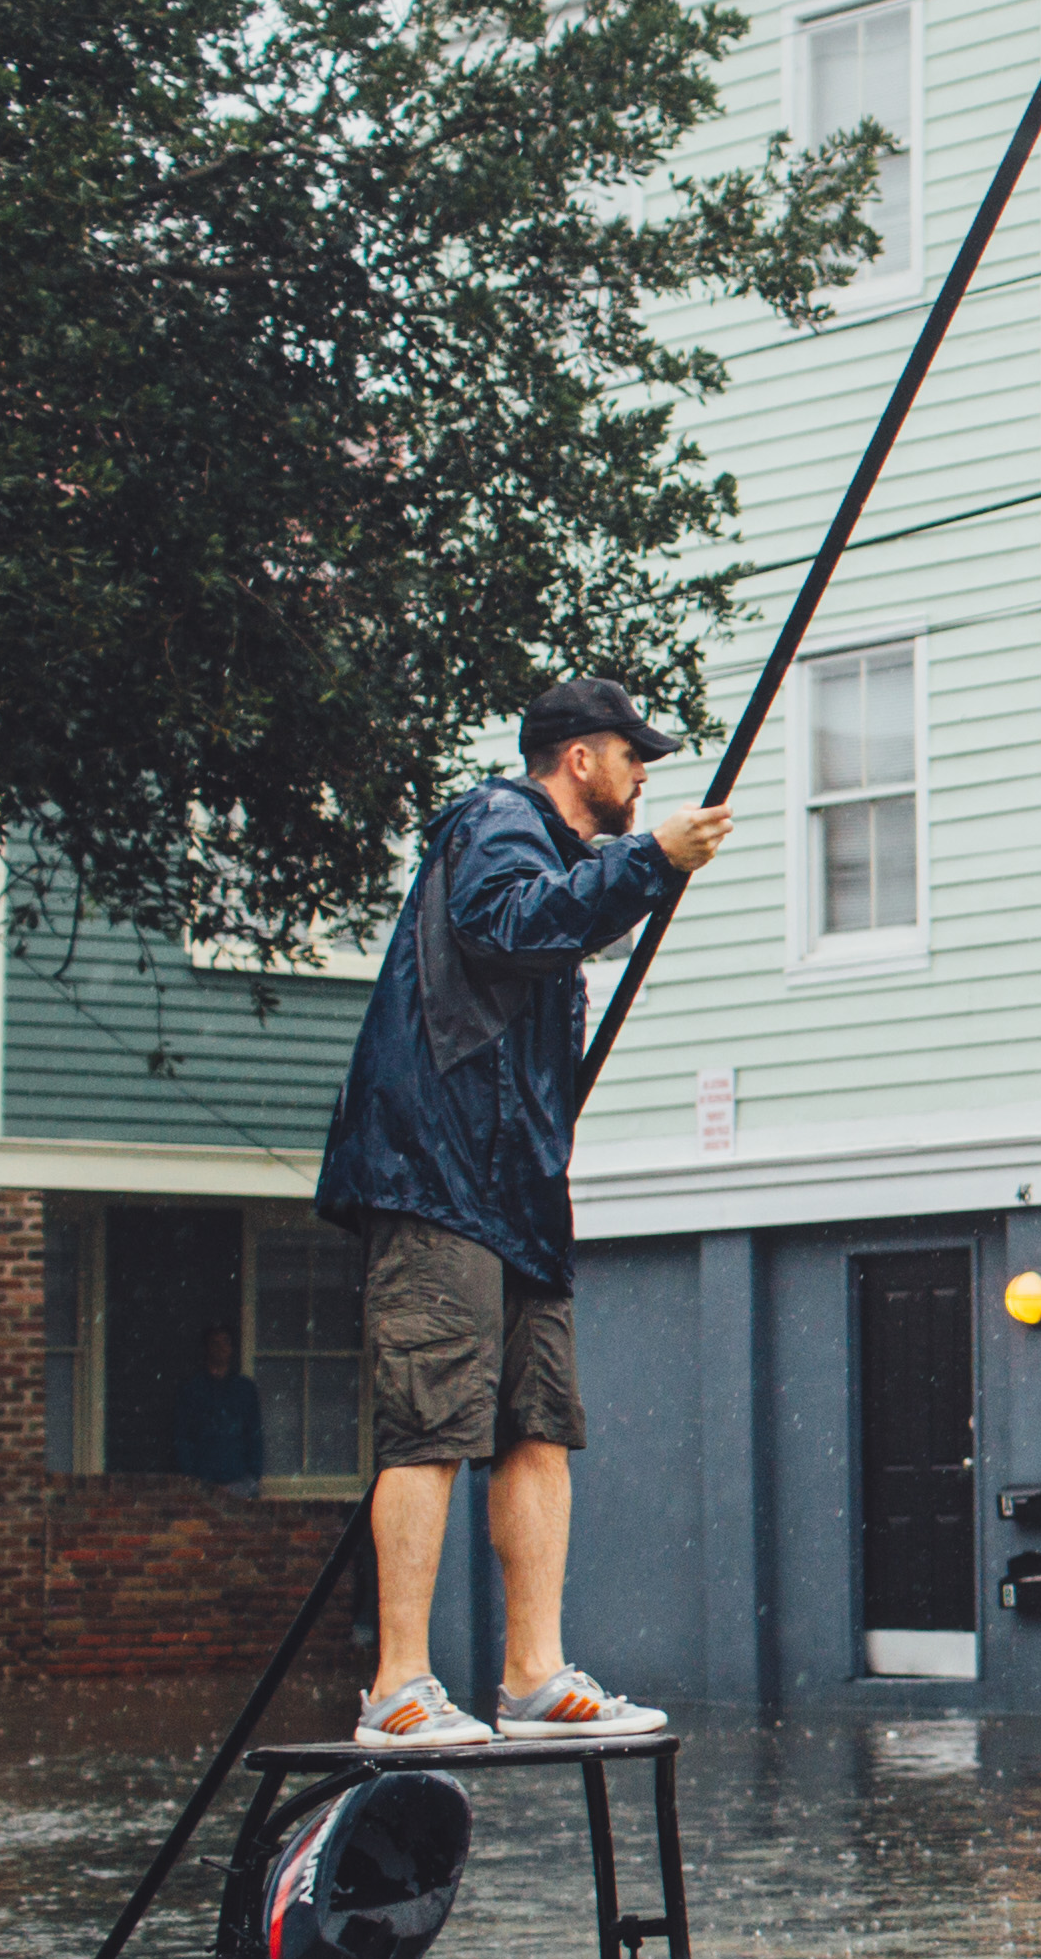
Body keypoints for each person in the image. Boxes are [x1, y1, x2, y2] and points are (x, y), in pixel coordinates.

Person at [314, 675, 734, 1748]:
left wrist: (633, 870)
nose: (643, 777)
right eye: (631, 755)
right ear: (579, 759)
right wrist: (651, 861)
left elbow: (546, 932)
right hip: (437, 1172)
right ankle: (397, 1687)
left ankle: (533, 1674)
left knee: (537, 1426)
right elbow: (507, 926)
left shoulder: (557, 857)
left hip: (517, 1186)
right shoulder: (499, 821)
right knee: (429, 1424)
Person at [168, 1323, 266, 1497]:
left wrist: (253, 1475)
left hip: (238, 1479)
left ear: (232, 1348)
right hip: (203, 1481)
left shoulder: (244, 1388)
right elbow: (182, 1436)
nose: (221, 1348)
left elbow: (254, 1433)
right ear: (207, 1348)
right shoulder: (193, 1389)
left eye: (225, 1342)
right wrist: (191, 1476)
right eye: (215, 1343)